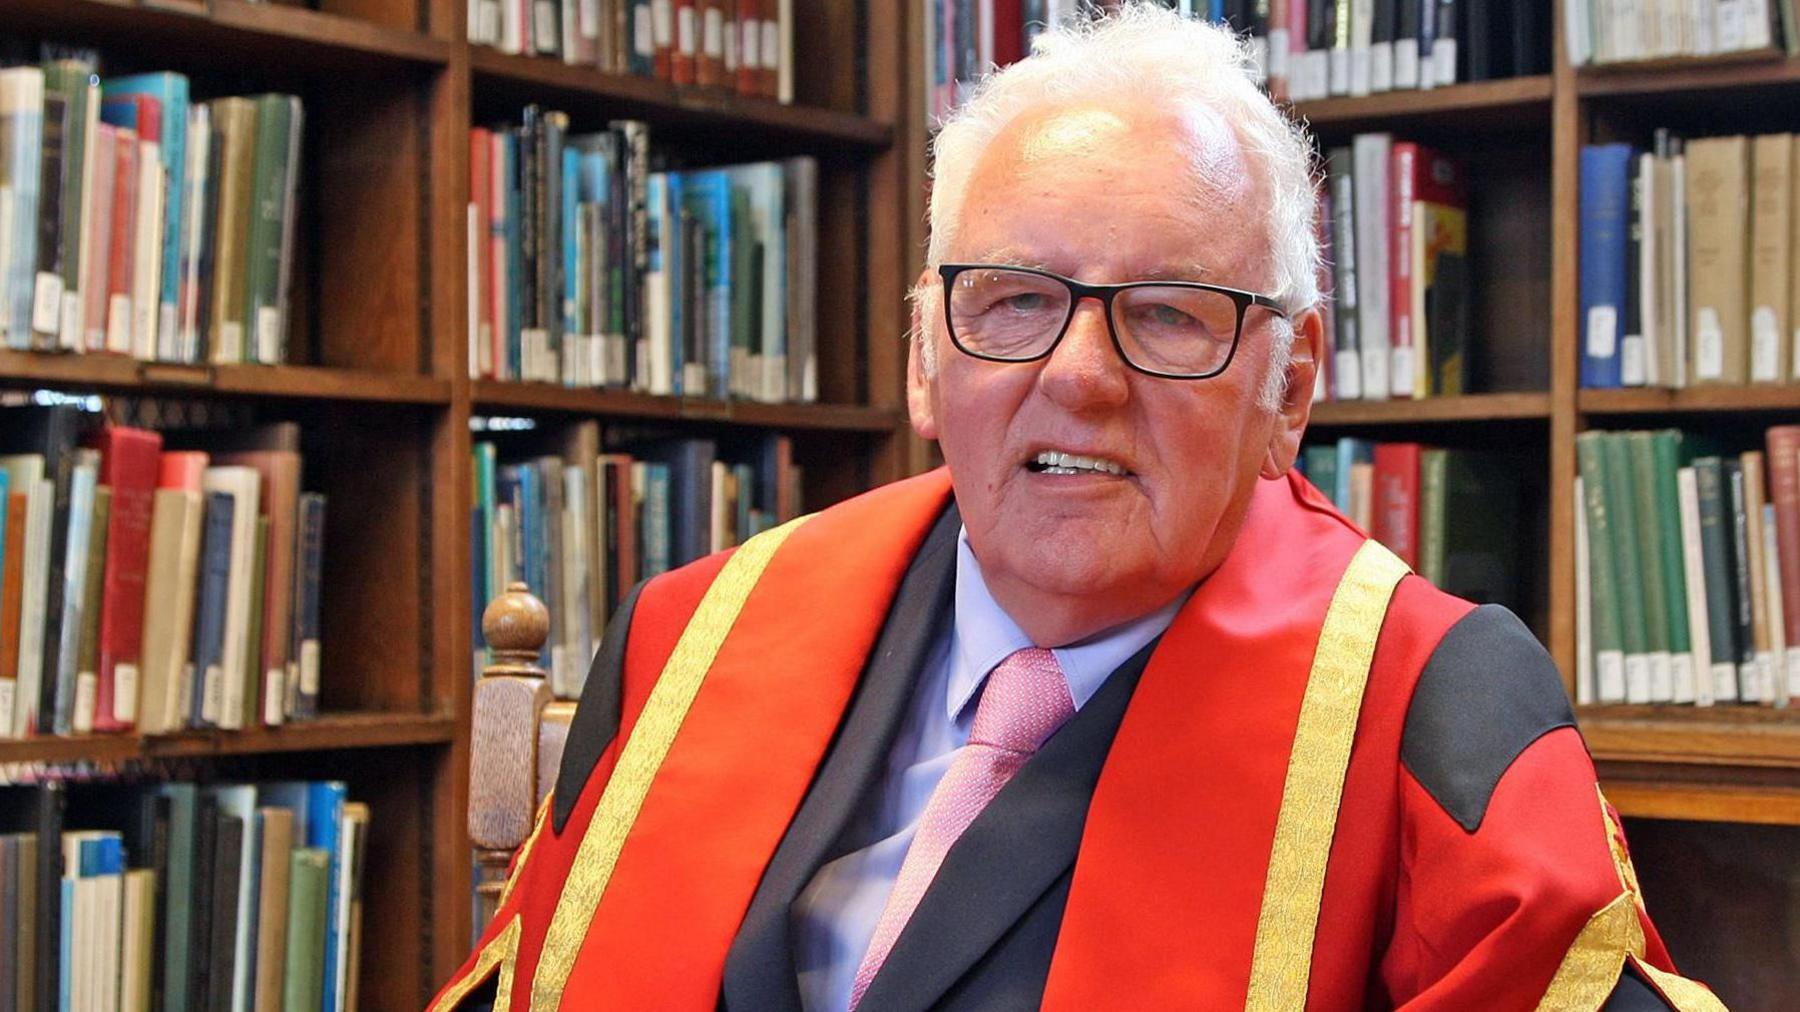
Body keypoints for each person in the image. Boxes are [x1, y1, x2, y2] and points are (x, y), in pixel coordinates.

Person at [431, 6, 1725, 1010]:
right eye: (1012, 300)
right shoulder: (690, 639)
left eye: (1167, 312)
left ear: (1291, 386)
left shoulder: (1430, 710)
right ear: (926, 361)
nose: (1078, 377)